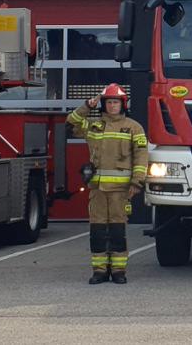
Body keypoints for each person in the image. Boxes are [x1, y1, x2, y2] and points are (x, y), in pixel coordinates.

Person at [67, 84, 148, 284]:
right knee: (97, 231)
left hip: (120, 191)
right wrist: (87, 105)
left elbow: (141, 156)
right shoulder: (94, 125)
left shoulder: (133, 127)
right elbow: (71, 124)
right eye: (109, 102)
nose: (112, 106)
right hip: (97, 190)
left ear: (123, 105)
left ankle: (119, 271)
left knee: (117, 231)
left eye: (116, 103)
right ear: (103, 104)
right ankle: (99, 271)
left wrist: (137, 183)